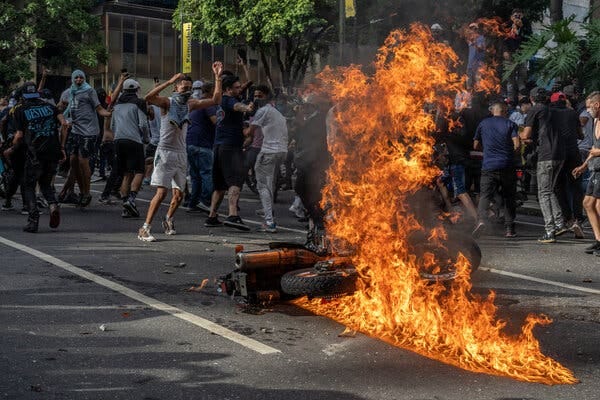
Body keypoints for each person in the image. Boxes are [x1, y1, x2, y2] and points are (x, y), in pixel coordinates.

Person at [138, 62, 223, 242]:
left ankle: (168, 219)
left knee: (179, 194)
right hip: (165, 152)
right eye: (184, 87)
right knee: (161, 193)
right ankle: (144, 228)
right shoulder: (166, 103)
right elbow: (148, 97)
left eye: (190, 88)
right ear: (176, 88)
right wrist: (169, 81)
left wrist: (217, 77)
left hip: (181, 153)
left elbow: (216, 100)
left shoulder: (190, 104)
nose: (188, 91)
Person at [6, 82, 67, 232]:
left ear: (22, 96)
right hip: (53, 151)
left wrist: (11, 148)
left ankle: (33, 220)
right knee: (46, 183)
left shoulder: (20, 110)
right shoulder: (50, 107)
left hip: (35, 153)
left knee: (28, 185)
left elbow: (19, 135)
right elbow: (64, 124)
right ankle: (53, 204)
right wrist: (62, 147)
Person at [204, 75, 254, 231]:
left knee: (219, 185)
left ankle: (212, 216)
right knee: (236, 181)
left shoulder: (221, 102)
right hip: (231, 148)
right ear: (227, 89)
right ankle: (233, 215)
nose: (240, 89)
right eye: (237, 87)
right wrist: (247, 108)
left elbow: (239, 95)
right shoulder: (229, 101)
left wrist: (246, 85)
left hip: (219, 147)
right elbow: (238, 106)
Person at [521, 87, 568, 243]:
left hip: (546, 156)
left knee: (543, 193)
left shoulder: (535, 110)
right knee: (550, 190)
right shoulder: (553, 111)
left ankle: (550, 231)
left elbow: (526, 134)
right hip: (560, 154)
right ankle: (560, 223)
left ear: (532, 98)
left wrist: (518, 135)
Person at [59, 70, 111, 207]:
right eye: (76, 77)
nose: (78, 80)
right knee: (73, 160)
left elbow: (99, 108)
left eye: (81, 77)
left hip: (88, 131)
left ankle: (87, 193)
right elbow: (67, 110)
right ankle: (82, 192)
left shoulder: (89, 91)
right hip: (75, 130)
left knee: (83, 161)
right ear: (72, 79)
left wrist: (108, 113)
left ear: (84, 78)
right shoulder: (70, 92)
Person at [244, 85, 288, 232]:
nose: (256, 99)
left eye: (260, 96)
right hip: (281, 151)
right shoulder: (277, 113)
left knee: (263, 186)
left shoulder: (263, 111)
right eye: (255, 95)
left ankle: (269, 222)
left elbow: (249, 132)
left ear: (267, 96)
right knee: (270, 184)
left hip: (269, 152)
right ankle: (266, 209)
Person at [473, 102, 520, 237]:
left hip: (488, 166)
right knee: (509, 197)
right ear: (505, 111)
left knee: (485, 195)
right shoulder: (510, 124)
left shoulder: (483, 124)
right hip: (507, 165)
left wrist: (487, 150)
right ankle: (509, 229)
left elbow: (475, 145)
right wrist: (510, 153)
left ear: (492, 111)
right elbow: (517, 145)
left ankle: (481, 220)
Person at [111, 78, 148, 218]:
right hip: (134, 140)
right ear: (137, 89)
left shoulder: (117, 104)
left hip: (118, 140)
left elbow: (112, 126)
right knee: (139, 171)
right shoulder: (139, 102)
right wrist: (146, 138)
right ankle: (131, 199)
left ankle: (126, 207)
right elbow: (143, 124)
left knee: (126, 173)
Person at [549, 92, 585, 238]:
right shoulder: (573, 113)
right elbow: (580, 135)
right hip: (573, 153)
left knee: (558, 186)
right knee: (576, 186)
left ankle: (567, 217)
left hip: (557, 154)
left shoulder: (550, 114)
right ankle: (577, 219)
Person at [572, 92, 600, 255]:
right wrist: (583, 165)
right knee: (588, 204)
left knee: (597, 205)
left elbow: (597, 150)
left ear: (597, 105)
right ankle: (598, 240)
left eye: (589, 107)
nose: (588, 111)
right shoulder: (595, 121)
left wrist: (598, 152)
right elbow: (593, 149)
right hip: (595, 168)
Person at [186, 81, 217, 213]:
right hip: (202, 144)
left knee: (195, 175)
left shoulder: (196, 103)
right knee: (206, 174)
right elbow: (216, 121)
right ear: (210, 91)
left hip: (190, 142)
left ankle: (193, 203)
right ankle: (205, 201)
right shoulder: (208, 103)